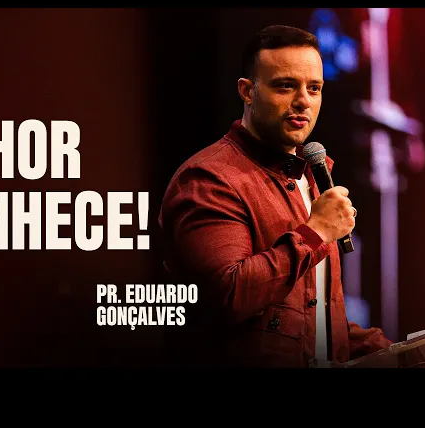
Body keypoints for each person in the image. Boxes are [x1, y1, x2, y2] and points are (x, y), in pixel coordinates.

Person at [157, 24, 393, 368]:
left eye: (314, 88)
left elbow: (307, 313)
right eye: (286, 86)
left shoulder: (311, 175)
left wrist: (387, 351)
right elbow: (229, 296)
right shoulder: (208, 179)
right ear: (247, 91)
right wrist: (316, 233)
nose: (303, 101)